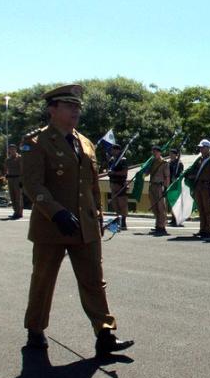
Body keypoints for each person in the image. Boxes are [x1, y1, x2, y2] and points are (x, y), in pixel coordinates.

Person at [20, 84, 133, 355]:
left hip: (85, 225)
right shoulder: (35, 143)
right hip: (52, 225)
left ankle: (105, 333)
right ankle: (35, 329)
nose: (76, 110)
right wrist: (56, 211)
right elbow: (32, 184)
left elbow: (92, 185)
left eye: (78, 106)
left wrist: (98, 214)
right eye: (69, 105)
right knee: (43, 280)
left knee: (94, 280)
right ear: (52, 109)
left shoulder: (86, 143)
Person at [185, 139, 210, 238]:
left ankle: (208, 230)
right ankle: (202, 229)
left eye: (202, 147)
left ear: (208, 148)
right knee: (201, 209)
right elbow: (195, 172)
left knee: (207, 209)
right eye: (200, 147)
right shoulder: (199, 160)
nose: (200, 149)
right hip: (198, 186)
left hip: (206, 186)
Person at [147, 145, 170, 235]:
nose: (154, 153)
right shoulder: (152, 161)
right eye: (153, 151)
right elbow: (147, 172)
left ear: (160, 152)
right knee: (154, 206)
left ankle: (162, 226)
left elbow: (167, 177)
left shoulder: (164, 162)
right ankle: (158, 223)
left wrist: (166, 188)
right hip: (152, 185)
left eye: (156, 151)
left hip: (160, 186)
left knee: (161, 207)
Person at [107, 143, 129, 230]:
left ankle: (123, 222)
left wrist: (114, 173)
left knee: (122, 204)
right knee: (115, 204)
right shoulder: (112, 160)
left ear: (118, 150)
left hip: (120, 184)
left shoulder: (123, 160)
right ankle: (117, 221)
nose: (112, 151)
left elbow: (124, 172)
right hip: (113, 184)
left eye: (113, 149)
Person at [4, 143, 24, 219]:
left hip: (18, 178)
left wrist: (22, 179)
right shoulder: (8, 159)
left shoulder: (20, 158)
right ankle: (15, 211)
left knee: (18, 196)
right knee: (12, 196)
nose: (12, 150)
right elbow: (5, 169)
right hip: (10, 178)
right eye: (10, 149)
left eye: (13, 149)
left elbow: (23, 169)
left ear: (16, 149)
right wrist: (5, 177)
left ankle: (19, 212)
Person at [167, 148, 184, 226]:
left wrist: (176, 178)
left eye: (171, 154)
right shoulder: (169, 163)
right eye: (170, 154)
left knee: (176, 202)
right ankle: (173, 218)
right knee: (171, 202)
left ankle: (178, 219)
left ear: (175, 155)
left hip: (176, 185)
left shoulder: (179, 164)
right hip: (170, 184)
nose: (170, 155)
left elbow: (181, 174)